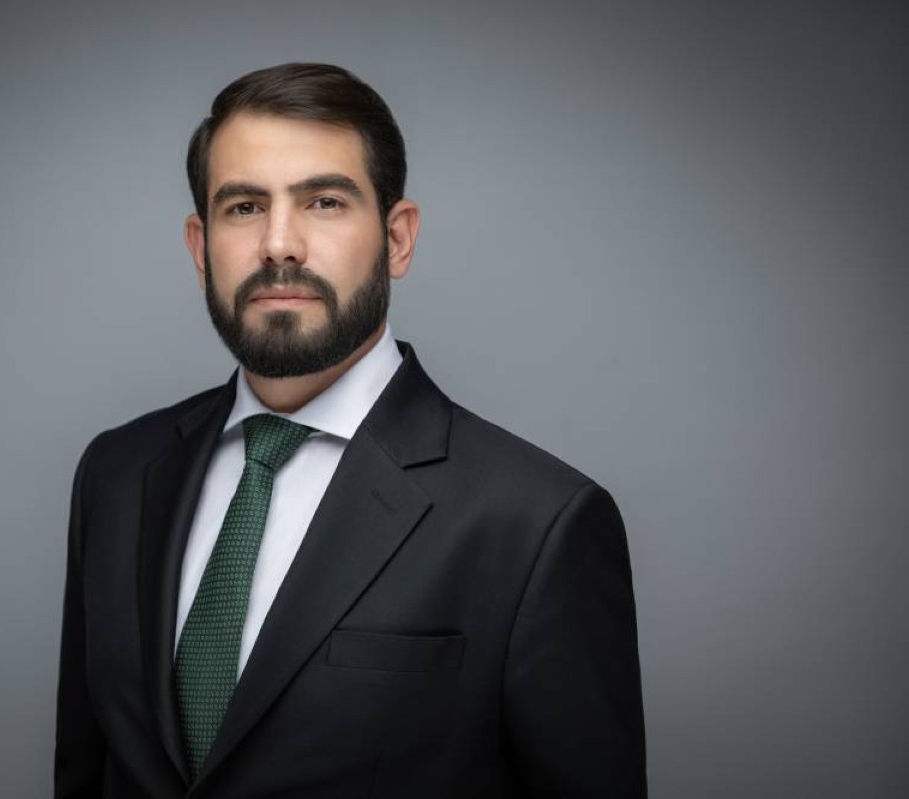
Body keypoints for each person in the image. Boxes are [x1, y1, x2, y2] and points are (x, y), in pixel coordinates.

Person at [54, 62, 646, 798]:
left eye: (325, 202)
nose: (279, 244)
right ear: (200, 248)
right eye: (244, 206)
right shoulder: (116, 474)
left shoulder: (537, 524)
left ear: (397, 238)